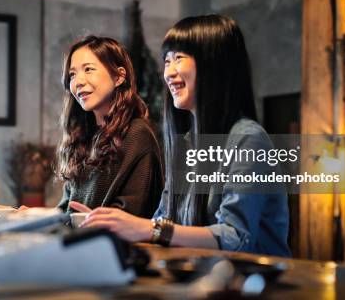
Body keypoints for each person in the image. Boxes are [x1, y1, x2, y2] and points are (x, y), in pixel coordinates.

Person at [71, 15, 291, 257]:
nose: (169, 72)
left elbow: (236, 237)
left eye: (179, 58)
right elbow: (163, 219)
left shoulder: (249, 139)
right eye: (166, 61)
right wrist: (109, 225)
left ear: (214, 65)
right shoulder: (186, 143)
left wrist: (150, 229)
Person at [55, 36, 164, 218]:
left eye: (88, 69)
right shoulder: (82, 136)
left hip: (116, 244)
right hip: (82, 241)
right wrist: (35, 217)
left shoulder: (137, 134)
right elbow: (67, 208)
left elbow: (131, 214)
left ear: (119, 76)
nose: (78, 81)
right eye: (72, 74)